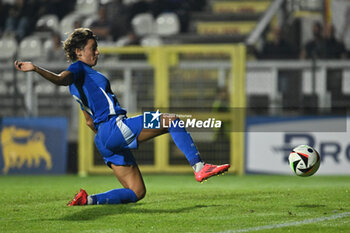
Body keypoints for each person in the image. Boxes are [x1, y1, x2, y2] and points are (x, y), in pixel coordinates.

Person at [14, 28, 230, 206]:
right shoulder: (78, 69)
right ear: (79, 52)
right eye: (93, 48)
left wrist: (109, 139)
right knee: (172, 120)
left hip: (103, 138)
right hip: (112, 128)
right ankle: (199, 167)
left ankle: (87, 200)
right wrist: (35, 68)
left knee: (137, 192)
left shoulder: (78, 86)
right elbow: (61, 79)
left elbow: (88, 120)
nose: (97, 52)